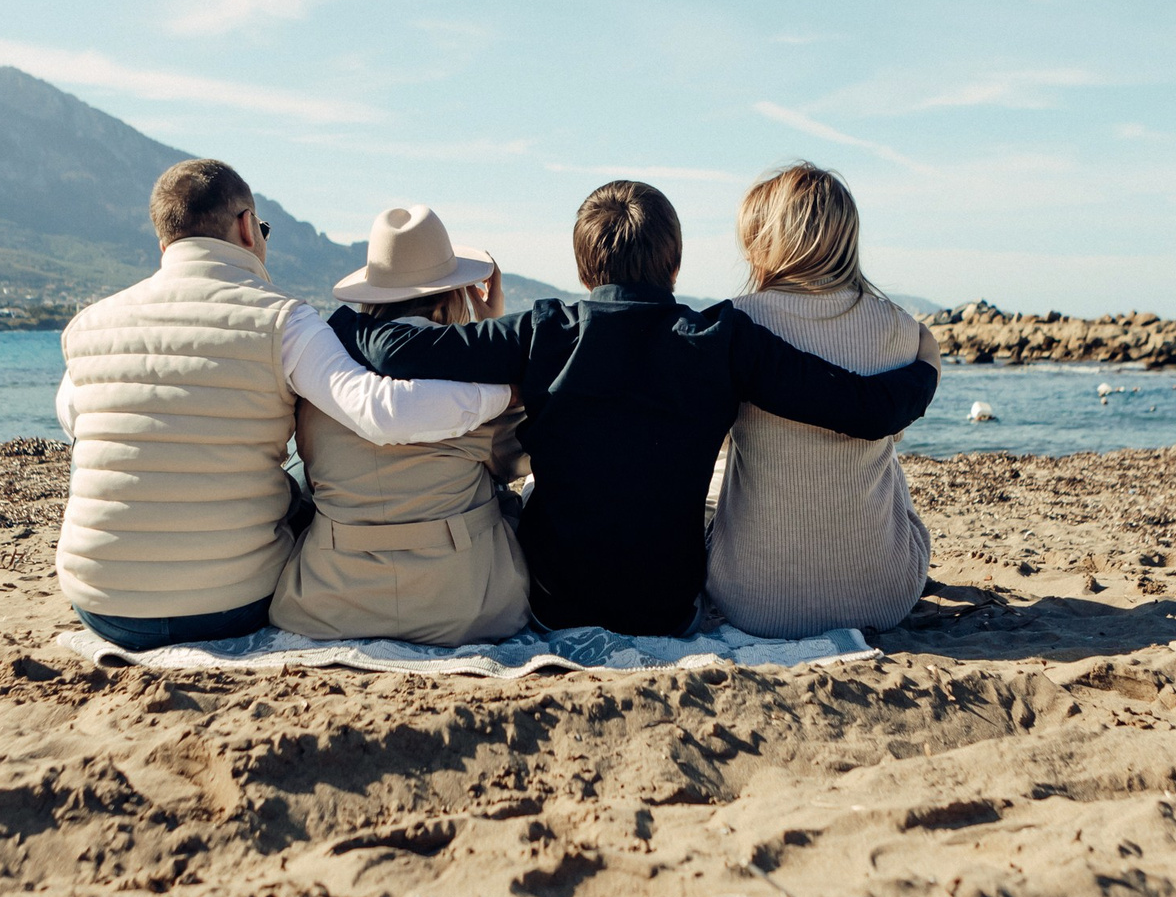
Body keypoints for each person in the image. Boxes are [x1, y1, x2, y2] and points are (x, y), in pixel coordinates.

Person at [331, 179, 941, 637]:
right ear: (675, 262)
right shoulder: (720, 339)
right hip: (666, 607)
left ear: (582, 267)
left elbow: (396, 348)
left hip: (555, 601)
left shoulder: (544, 330)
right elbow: (867, 410)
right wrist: (925, 368)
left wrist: (337, 321)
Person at [55, 161, 512, 649]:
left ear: (164, 243)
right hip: (232, 603)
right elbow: (381, 412)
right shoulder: (283, 319)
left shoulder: (88, 325)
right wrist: (507, 386)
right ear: (247, 227)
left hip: (103, 606)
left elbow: (73, 423)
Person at [271, 206, 532, 645]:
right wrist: (489, 335)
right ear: (452, 296)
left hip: (330, 601)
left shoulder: (324, 381)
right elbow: (514, 463)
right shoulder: (476, 385)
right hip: (467, 605)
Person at [705, 164, 932, 637]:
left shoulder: (736, 325)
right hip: (886, 595)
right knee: (886, 457)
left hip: (753, 602)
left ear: (767, 240)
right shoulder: (901, 328)